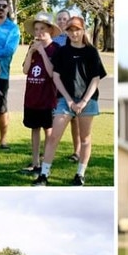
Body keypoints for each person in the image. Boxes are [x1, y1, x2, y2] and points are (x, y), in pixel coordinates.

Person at [32, 16, 107, 187]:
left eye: (77, 30)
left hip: (87, 101)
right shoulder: (62, 51)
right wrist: (69, 100)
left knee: (85, 138)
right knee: (53, 137)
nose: (74, 33)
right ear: (67, 32)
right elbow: (56, 76)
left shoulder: (91, 52)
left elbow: (96, 78)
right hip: (65, 101)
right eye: (71, 30)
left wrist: (83, 102)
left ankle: (80, 174)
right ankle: (44, 175)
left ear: (83, 30)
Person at [21, 11, 61, 174]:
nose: (39, 33)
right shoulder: (33, 47)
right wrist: (31, 52)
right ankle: (35, 162)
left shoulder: (56, 49)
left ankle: (46, 164)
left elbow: (52, 72)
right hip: (32, 97)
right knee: (34, 129)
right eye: (36, 29)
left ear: (50, 30)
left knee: (48, 131)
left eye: (42, 29)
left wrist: (43, 52)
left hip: (48, 98)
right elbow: (25, 70)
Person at [0, 0, 21, 149]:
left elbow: (8, 50)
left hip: (2, 74)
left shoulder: (13, 29)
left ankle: (3, 140)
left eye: (4, 6)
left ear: (8, 9)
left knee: (1, 108)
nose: (1, 8)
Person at [53, 8, 81, 163]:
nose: (62, 21)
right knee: (54, 119)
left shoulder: (76, 39)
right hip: (56, 85)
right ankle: (50, 151)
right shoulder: (54, 39)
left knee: (74, 119)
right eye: (59, 19)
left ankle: (77, 151)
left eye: (64, 19)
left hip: (74, 85)